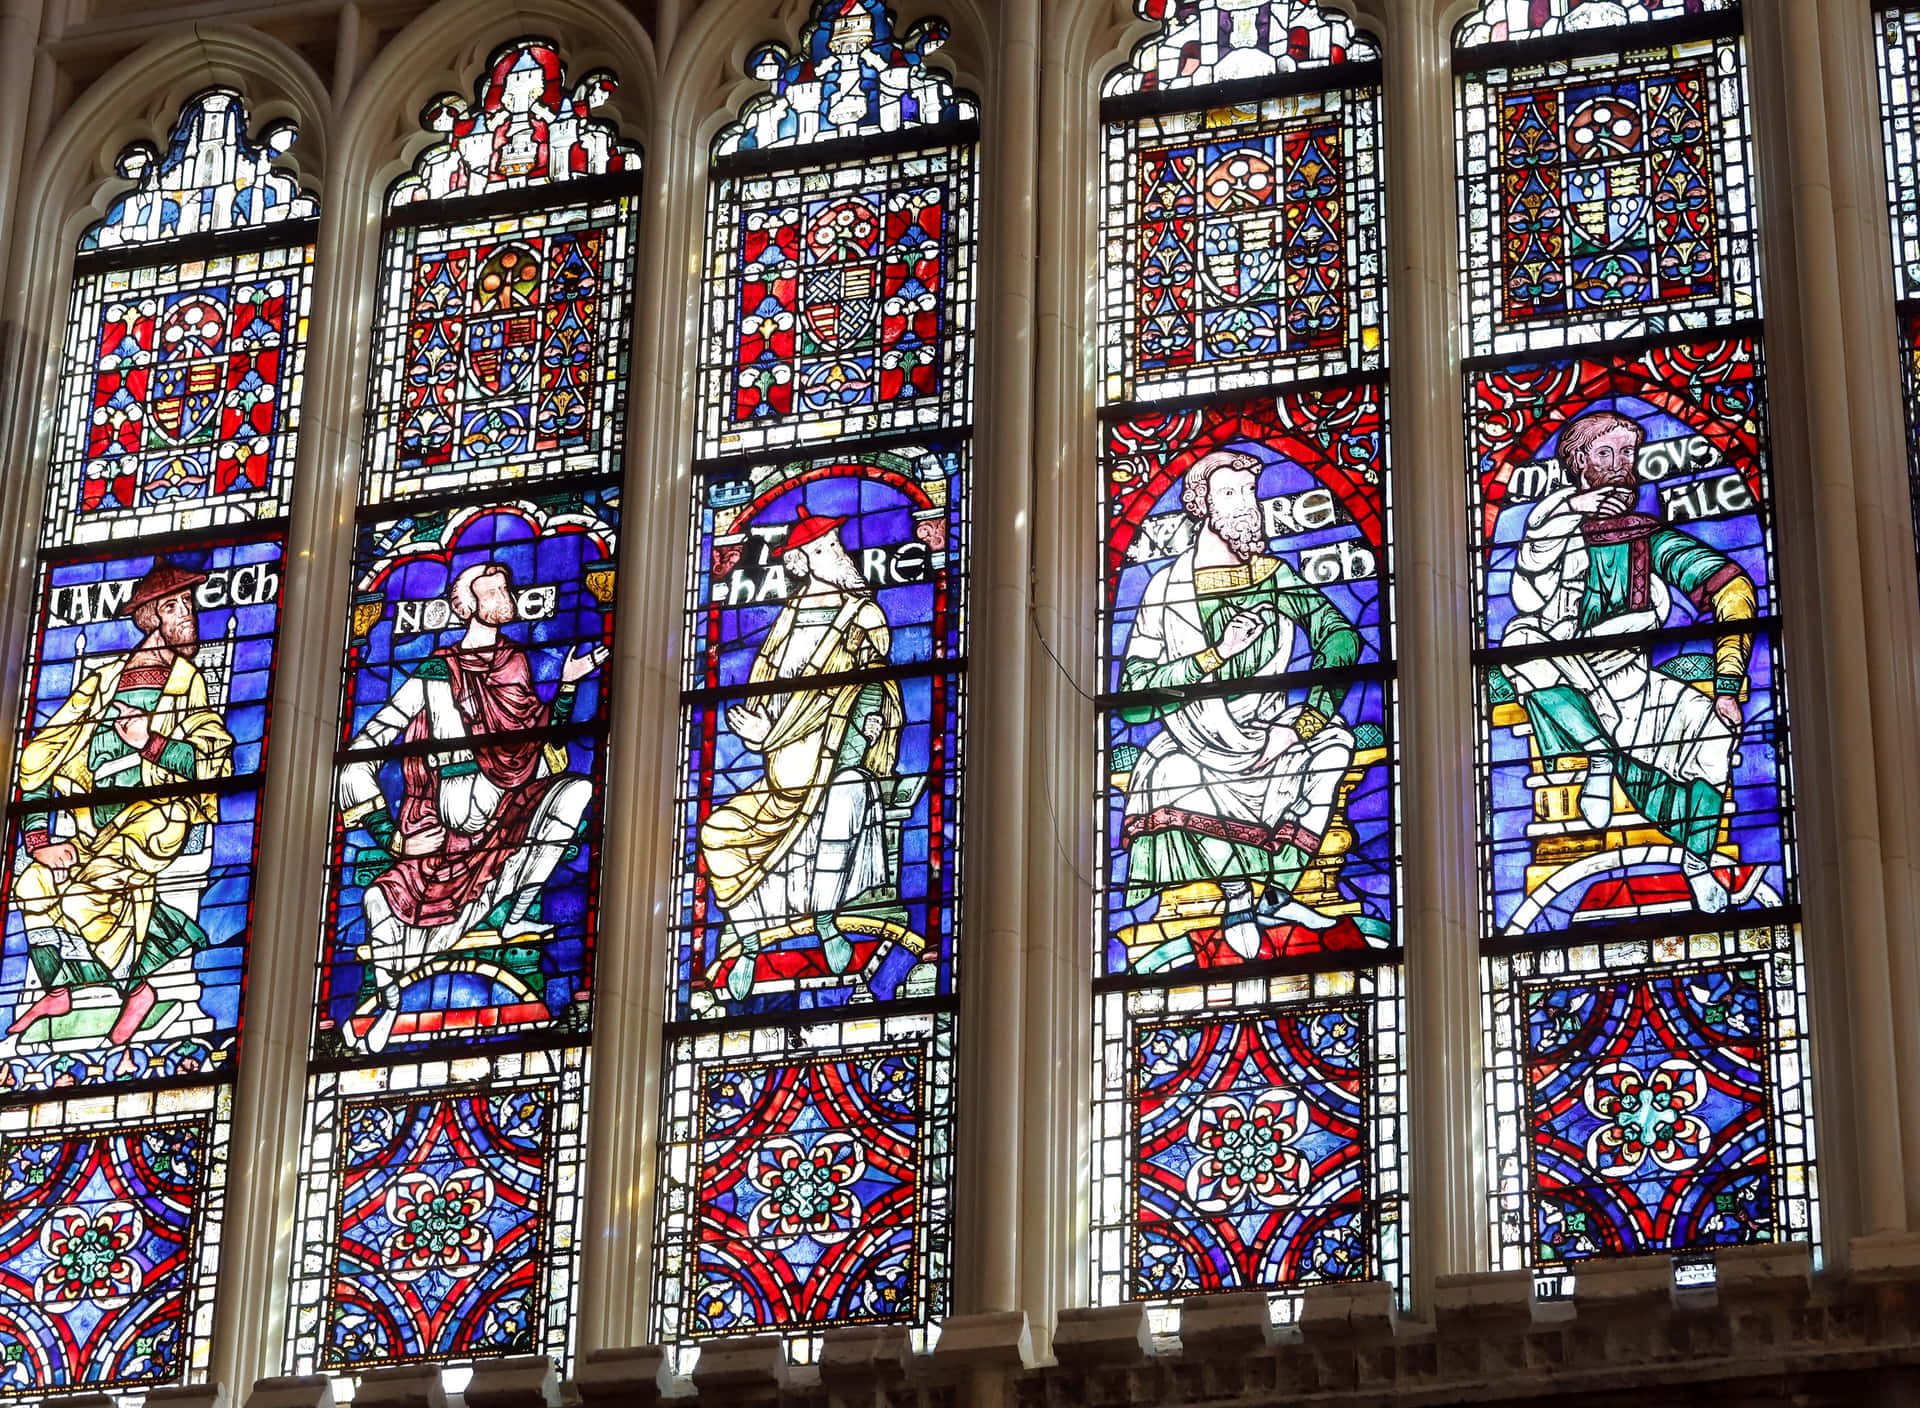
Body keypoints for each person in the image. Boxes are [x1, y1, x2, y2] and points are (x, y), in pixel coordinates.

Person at [338, 562, 604, 1052]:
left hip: (507, 818)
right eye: (497, 589)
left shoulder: (515, 664)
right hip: (440, 833)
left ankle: (516, 912)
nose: (508, 595)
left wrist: (567, 684)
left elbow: (538, 741)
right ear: (470, 604)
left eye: (507, 586)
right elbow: (357, 760)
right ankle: (390, 1001)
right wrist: (393, 837)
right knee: (378, 901)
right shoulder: (434, 674)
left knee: (577, 792)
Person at [1500, 408, 1756, 913]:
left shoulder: (1646, 536)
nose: (1620, 464)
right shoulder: (1549, 532)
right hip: (1570, 678)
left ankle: (1699, 863)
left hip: (1632, 681)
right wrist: (1574, 508)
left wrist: (1727, 686)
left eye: (1627, 453)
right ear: (1578, 464)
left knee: (1714, 737)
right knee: (1519, 644)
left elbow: (1731, 586)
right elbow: (1530, 583)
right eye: (1604, 453)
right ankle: (1599, 759)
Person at [1118, 449, 1360, 959]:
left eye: (1249, 492)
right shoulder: (1166, 591)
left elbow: (1340, 636)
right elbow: (1135, 701)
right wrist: (1213, 656)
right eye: (1230, 493)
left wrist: (1298, 726)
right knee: (1169, 776)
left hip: (1272, 728)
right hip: (1197, 738)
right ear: (1201, 504)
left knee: (1335, 744)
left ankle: (1278, 892)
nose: (1245, 504)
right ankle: (1237, 900)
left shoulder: (1275, 576)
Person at [10, 559, 234, 1046]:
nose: (188, 616)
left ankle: (137, 991)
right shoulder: (104, 680)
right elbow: (39, 756)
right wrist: (40, 840)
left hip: (154, 819)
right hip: (93, 827)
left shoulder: (187, 682)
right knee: (32, 881)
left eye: (190, 605)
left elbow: (214, 760)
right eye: (175, 606)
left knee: (77, 894)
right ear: (150, 616)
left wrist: (147, 742)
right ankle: (60, 988)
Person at [699, 507, 904, 1001]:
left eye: (827, 549)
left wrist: (855, 742)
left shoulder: (863, 615)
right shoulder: (787, 621)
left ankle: (827, 922)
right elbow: (763, 699)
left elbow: (877, 688)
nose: (827, 558)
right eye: (814, 552)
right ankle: (749, 940)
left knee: (844, 798)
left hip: (836, 763)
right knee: (715, 833)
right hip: (780, 775)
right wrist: (758, 732)